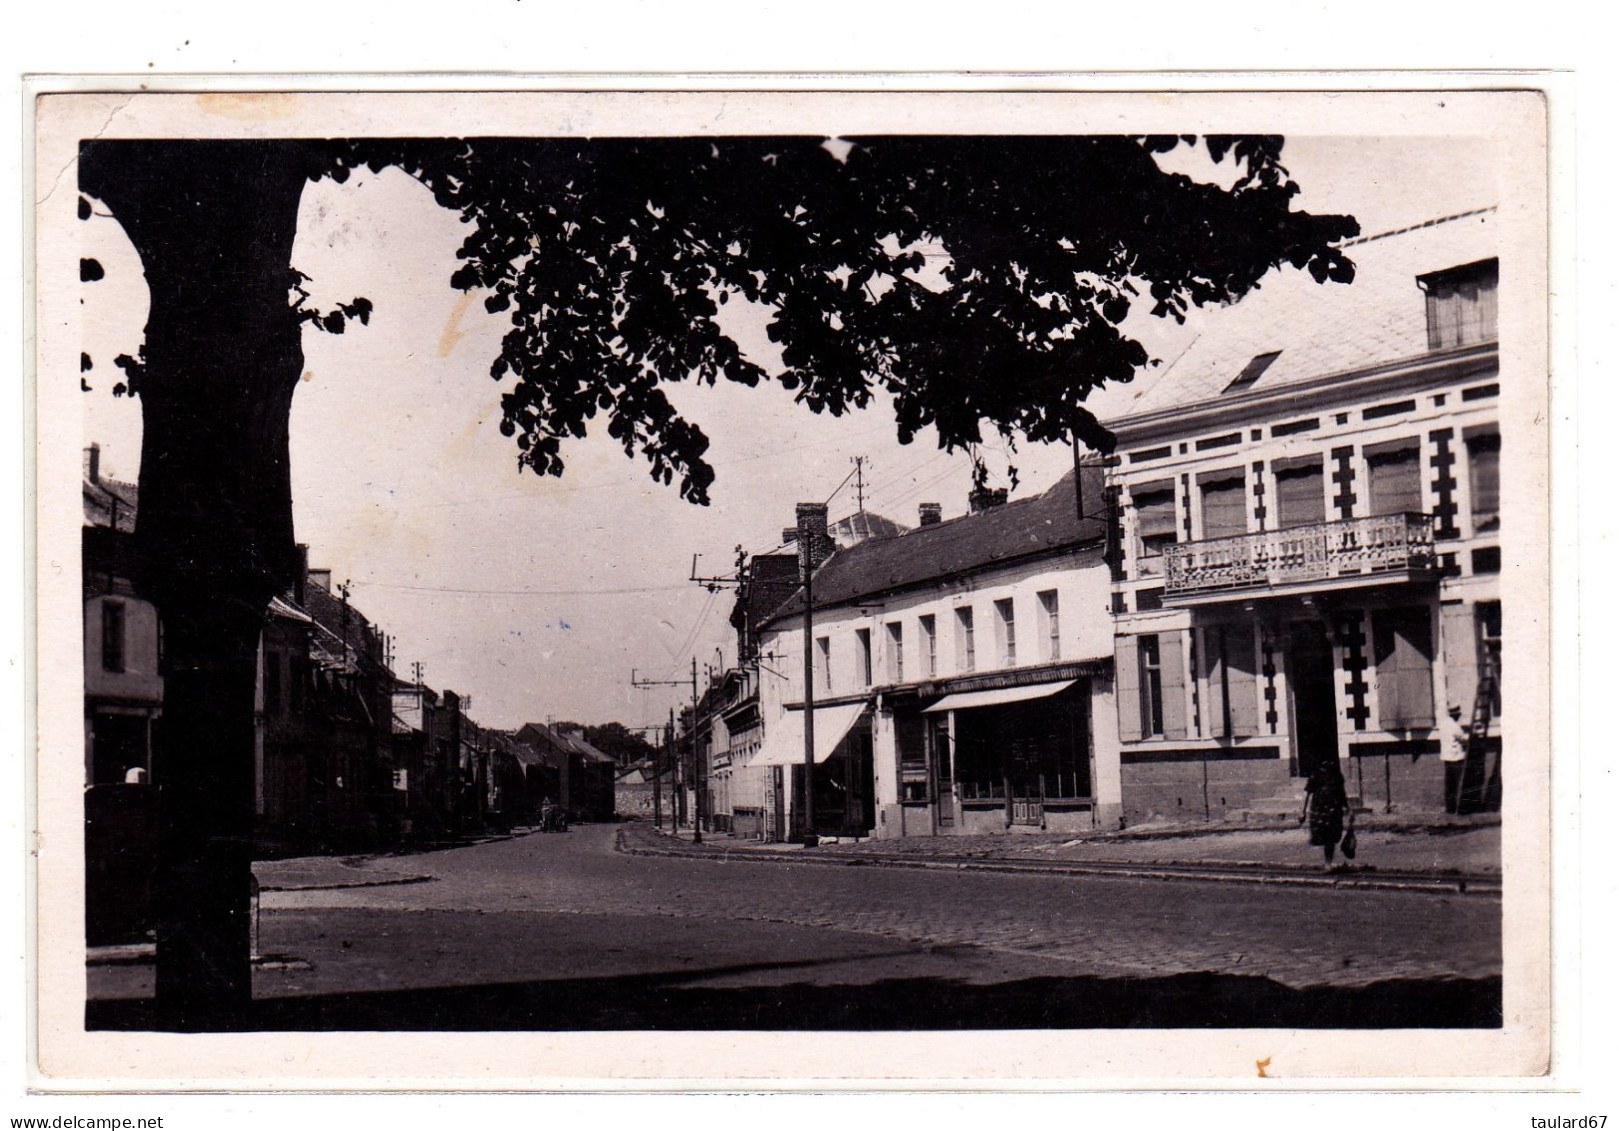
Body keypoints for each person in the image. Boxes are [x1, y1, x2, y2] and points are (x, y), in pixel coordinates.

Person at [1300, 759, 1351, 870]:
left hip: (1330, 812)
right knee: (1325, 839)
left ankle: (1328, 863)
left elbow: (1342, 794)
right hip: (1322, 812)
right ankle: (1327, 862)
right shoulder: (1316, 775)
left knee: (1330, 839)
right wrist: (1302, 811)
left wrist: (1347, 808)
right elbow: (1307, 794)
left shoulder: (1336, 776)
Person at [1441, 704, 1470, 815]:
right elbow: (1464, 738)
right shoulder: (1454, 726)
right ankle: (1459, 809)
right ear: (1456, 715)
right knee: (1458, 784)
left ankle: (1450, 808)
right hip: (1456, 758)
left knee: (1449, 785)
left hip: (1447, 758)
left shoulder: (1444, 725)